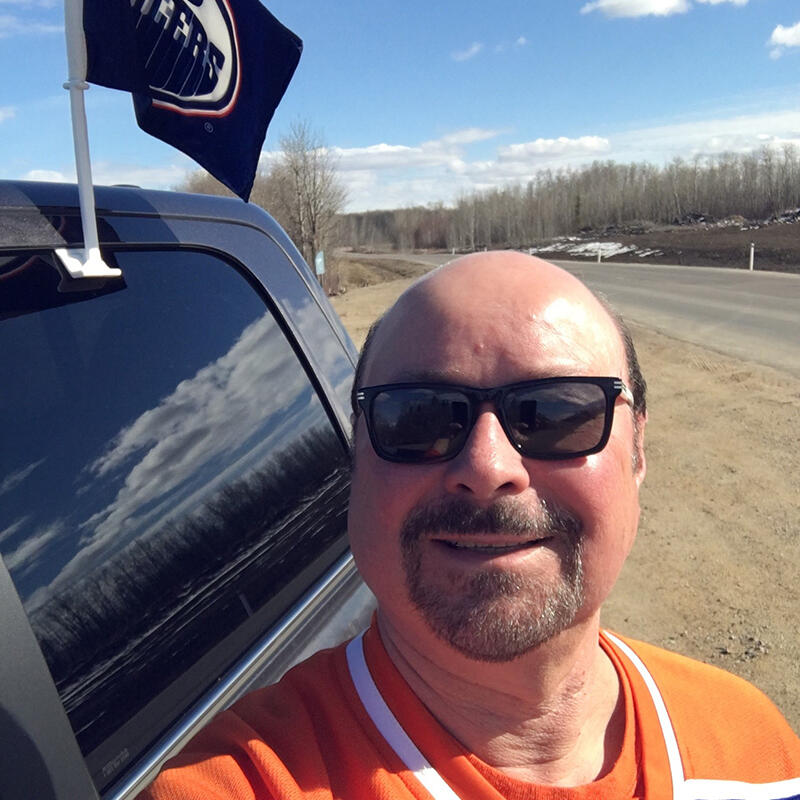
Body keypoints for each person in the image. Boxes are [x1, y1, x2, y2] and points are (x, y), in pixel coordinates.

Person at [141, 251, 800, 800]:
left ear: (639, 452)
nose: (486, 468)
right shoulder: (241, 781)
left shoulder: (757, 754)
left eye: (555, 413)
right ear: (358, 457)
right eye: (420, 418)